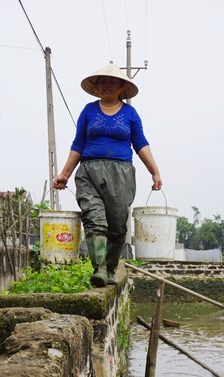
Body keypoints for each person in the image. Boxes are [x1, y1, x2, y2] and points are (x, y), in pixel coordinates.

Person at [53, 63, 162, 287]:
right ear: (97, 85)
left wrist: (155, 172)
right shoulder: (89, 111)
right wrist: (64, 174)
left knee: (117, 228)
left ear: (122, 86)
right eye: (103, 81)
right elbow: (78, 144)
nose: (107, 85)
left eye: (112, 82)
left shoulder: (130, 114)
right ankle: (100, 268)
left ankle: (111, 267)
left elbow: (140, 144)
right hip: (89, 172)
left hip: (120, 174)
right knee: (94, 220)